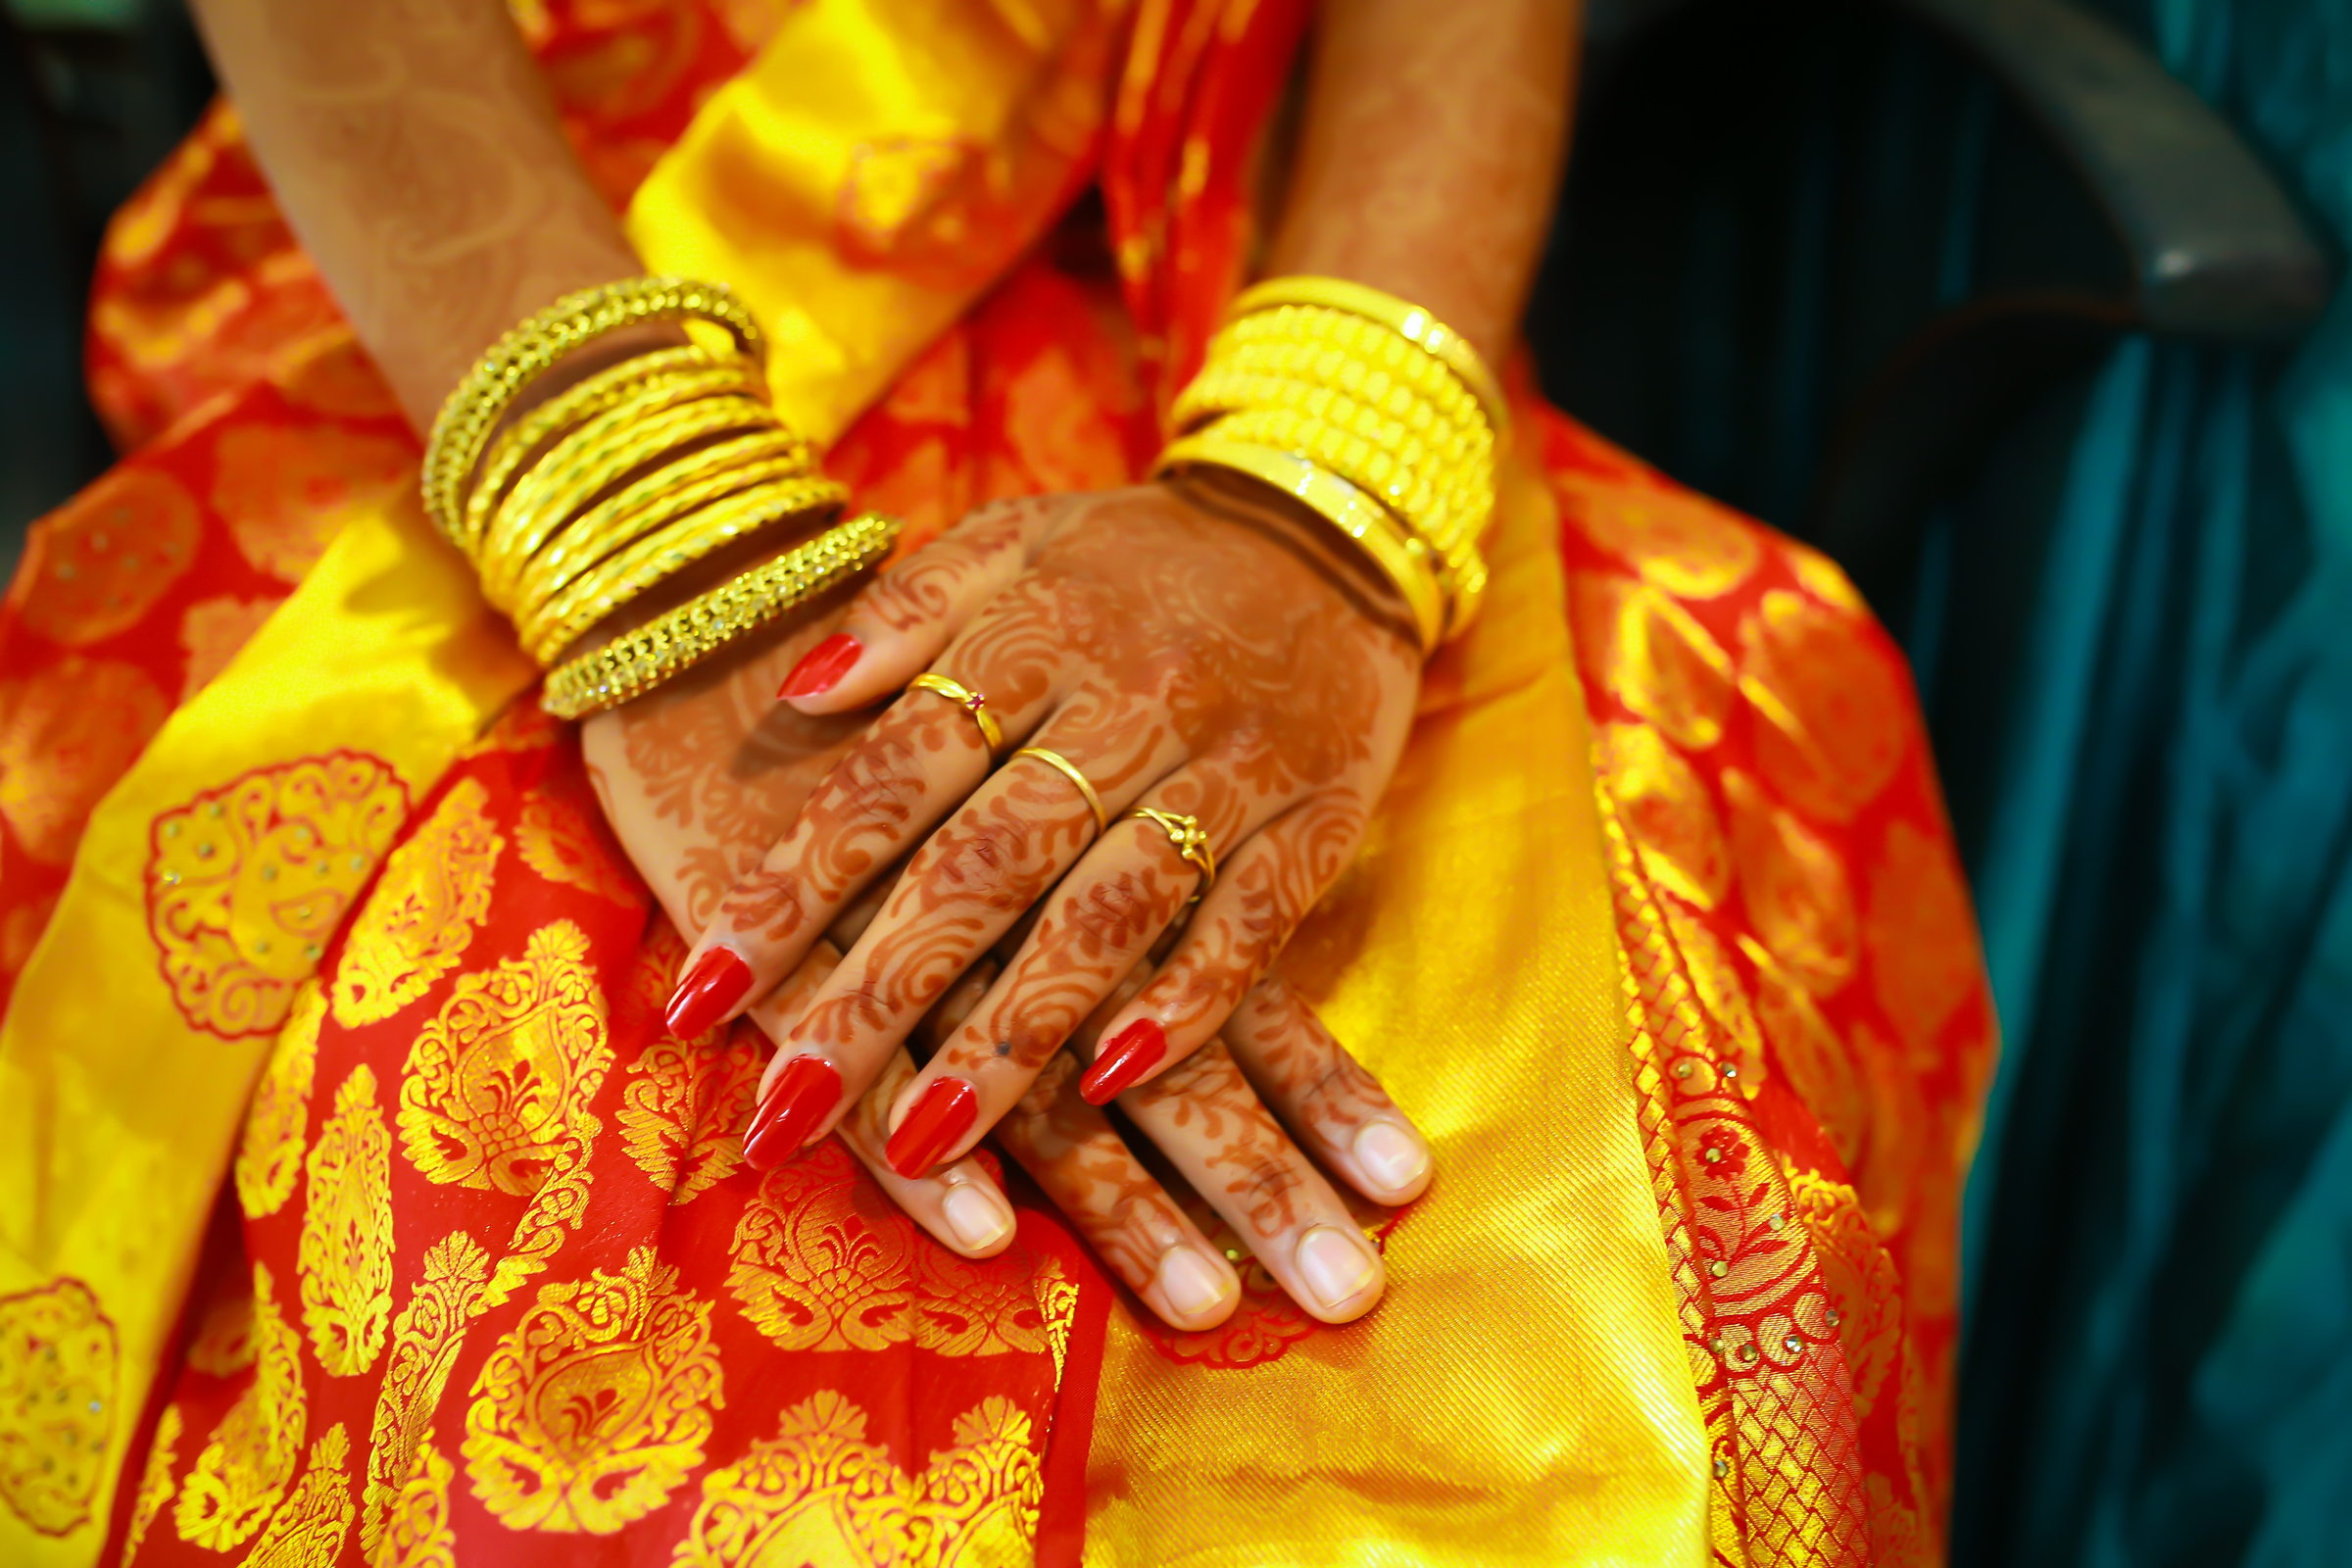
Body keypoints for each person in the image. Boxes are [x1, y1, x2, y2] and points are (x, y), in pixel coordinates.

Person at [0, 0, 1991, 1562]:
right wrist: (654, 543)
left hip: (1279, 270)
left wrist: (1322, 510)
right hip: (523, 268)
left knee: (1695, 1006)